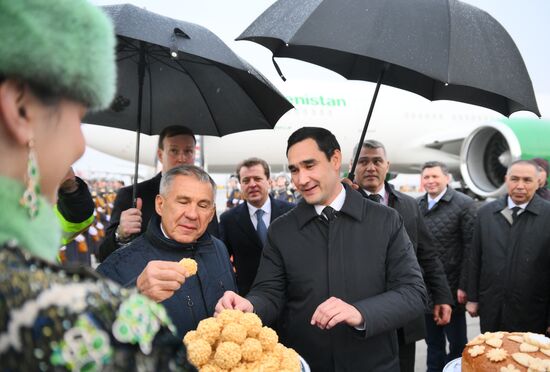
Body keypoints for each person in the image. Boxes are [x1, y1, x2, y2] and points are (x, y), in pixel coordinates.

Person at [0, 1, 196, 370]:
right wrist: (122, 238)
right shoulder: (102, 322)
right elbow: (103, 251)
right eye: (76, 116)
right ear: (22, 109)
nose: (79, 144)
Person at [216, 127, 427, 371]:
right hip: (306, 364)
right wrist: (250, 305)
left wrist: (360, 313)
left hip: (374, 364)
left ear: (335, 160)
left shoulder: (385, 220)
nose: (301, 179)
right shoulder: (282, 230)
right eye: (294, 169)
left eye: (309, 165)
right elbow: (269, 292)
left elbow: (413, 293)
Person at [97, 165, 237, 339]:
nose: (192, 214)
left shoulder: (219, 249)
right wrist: (135, 295)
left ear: (211, 214)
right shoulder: (117, 266)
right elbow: (91, 337)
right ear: (160, 204)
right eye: (183, 202)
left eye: (203, 205)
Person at [352, 140, 453, 372]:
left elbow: (426, 255)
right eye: (363, 161)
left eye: (377, 161)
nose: (370, 167)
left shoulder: (408, 205)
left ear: (387, 165)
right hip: (363, 313)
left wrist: (441, 296)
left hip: (403, 316)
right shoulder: (344, 204)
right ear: (352, 166)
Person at [98, 125, 219, 262]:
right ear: (160, 155)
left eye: (188, 151)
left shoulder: (206, 196)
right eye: (174, 150)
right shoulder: (131, 195)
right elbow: (104, 255)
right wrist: (120, 234)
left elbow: (214, 244)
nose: (181, 158)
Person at [466, 160, 550, 336]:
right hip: (492, 306)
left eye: (527, 180)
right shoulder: (486, 214)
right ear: (506, 180)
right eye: (514, 179)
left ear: (538, 182)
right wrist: (472, 297)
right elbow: (475, 257)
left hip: (533, 310)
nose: (520, 186)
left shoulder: (547, 216)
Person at [417, 161, 476, 372]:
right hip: (426, 287)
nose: (430, 181)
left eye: (435, 176)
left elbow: (471, 248)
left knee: (458, 343)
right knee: (433, 344)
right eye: (426, 177)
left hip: (453, 288)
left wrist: (465, 285)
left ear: (447, 178)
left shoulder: (464, 204)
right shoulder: (416, 205)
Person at [219, 158, 294, 295]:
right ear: (240, 185)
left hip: (290, 295)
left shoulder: (292, 213)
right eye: (246, 181)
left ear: (269, 182)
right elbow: (222, 262)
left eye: (257, 179)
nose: (252, 184)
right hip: (248, 299)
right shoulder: (228, 220)